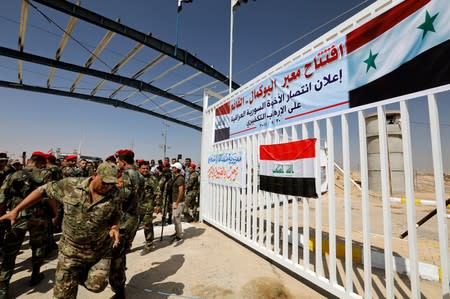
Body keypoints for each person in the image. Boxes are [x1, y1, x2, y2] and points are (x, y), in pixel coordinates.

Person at [0, 163, 122, 299]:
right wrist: (16, 210)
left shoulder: (115, 194)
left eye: (111, 183)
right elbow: (42, 190)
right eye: (104, 182)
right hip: (70, 252)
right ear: (94, 176)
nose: (108, 186)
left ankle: (75, 277)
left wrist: (114, 226)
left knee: (97, 285)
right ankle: (69, 278)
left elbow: (116, 214)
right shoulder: (70, 185)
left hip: (98, 252)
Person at [0, 151, 50, 297]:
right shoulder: (45, 176)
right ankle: (35, 275)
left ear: (29, 160)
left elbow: (2, 198)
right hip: (38, 217)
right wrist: (54, 213)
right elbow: (51, 197)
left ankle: (3, 288)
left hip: (17, 218)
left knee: (10, 252)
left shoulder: (13, 175)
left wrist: (3, 216)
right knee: (38, 246)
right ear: (41, 163)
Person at [108, 149, 144, 298]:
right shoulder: (140, 175)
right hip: (134, 217)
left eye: (118, 162)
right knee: (121, 252)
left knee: (116, 255)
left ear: (122, 161)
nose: (118, 164)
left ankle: (119, 288)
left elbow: (123, 196)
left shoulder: (126, 175)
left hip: (123, 220)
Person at [138, 161, 161, 252]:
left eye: (147, 168)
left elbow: (158, 193)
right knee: (132, 226)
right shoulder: (135, 177)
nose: (145, 170)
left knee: (147, 225)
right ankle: (127, 244)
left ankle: (149, 243)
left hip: (148, 205)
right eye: (143, 168)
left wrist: (158, 205)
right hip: (135, 206)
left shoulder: (153, 179)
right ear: (139, 168)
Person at [169, 162, 185, 241]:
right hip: (175, 201)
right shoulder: (176, 177)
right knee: (175, 219)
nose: (172, 169)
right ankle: (177, 233)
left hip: (178, 202)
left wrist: (177, 203)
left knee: (177, 219)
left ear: (177, 169)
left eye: (173, 168)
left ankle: (179, 236)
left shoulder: (180, 178)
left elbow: (181, 192)